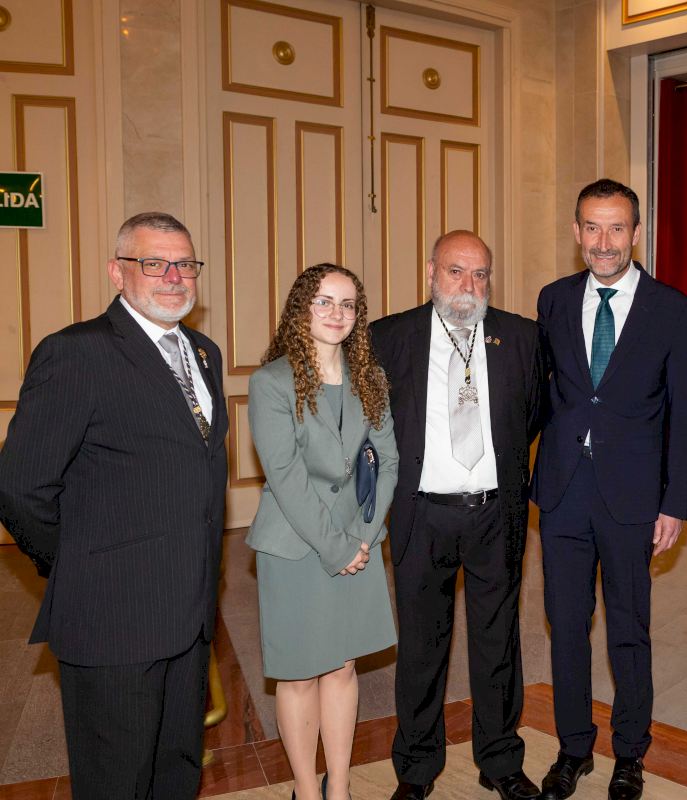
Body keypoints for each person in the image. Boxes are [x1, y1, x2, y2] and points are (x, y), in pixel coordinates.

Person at [0, 212, 226, 798]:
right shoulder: (76, 353)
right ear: (117, 272)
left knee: (177, 768)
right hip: (113, 618)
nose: (173, 276)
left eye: (184, 264)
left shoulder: (204, 353)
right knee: (116, 780)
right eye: (154, 263)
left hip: (191, 610)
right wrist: (77, 564)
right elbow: (20, 487)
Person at [532, 178, 687, 800]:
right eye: (592, 228)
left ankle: (630, 754)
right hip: (563, 491)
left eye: (617, 228)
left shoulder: (672, 309)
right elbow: (542, 393)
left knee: (629, 628)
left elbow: (683, 413)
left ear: (637, 233)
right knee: (565, 625)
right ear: (576, 232)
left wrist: (674, 503)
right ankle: (573, 748)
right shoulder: (552, 300)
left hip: (633, 496)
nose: (604, 242)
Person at [371, 231, 547, 800]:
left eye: (480, 274)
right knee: (422, 646)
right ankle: (416, 768)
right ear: (431, 272)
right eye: (455, 271)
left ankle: (500, 760)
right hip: (422, 514)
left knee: (498, 642)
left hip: (496, 512)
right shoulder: (389, 337)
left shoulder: (521, 337)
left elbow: (532, 415)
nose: (468, 285)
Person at [246, 263, 399, 800]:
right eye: (324, 302)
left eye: (348, 304)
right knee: (299, 674)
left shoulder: (370, 378)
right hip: (295, 546)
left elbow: (388, 462)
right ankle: (306, 790)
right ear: (301, 309)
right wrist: (339, 548)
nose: (338, 314)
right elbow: (285, 477)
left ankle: (340, 787)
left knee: (342, 668)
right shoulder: (271, 382)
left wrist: (364, 536)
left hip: (358, 540)